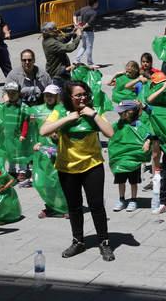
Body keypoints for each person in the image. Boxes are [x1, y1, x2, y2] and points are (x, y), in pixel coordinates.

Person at [39, 80, 116, 261]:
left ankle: (104, 242)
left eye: (84, 94)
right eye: (78, 95)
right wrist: (68, 118)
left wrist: (93, 114)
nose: (82, 98)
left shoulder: (93, 110)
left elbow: (110, 133)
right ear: (69, 97)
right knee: (74, 206)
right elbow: (43, 130)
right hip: (67, 167)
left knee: (96, 205)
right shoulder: (60, 110)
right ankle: (78, 241)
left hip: (92, 165)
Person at [109, 100, 150, 213]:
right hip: (120, 159)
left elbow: (147, 133)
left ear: (131, 112)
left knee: (133, 182)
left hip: (133, 159)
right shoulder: (118, 124)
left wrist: (147, 142)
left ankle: (133, 199)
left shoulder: (138, 124)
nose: (119, 114)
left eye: (121, 112)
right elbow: (109, 132)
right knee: (120, 181)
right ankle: (121, 199)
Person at [73, 0, 99, 65]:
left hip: (82, 32)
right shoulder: (94, 12)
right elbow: (89, 23)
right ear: (94, 3)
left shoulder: (83, 8)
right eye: (97, 3)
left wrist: (76, 24)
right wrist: (82, 27)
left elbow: (75, 14)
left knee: (84, 46)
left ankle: (76, 60)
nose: (98, 4)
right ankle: (90, 62)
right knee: (89, 47)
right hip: (89, 32)